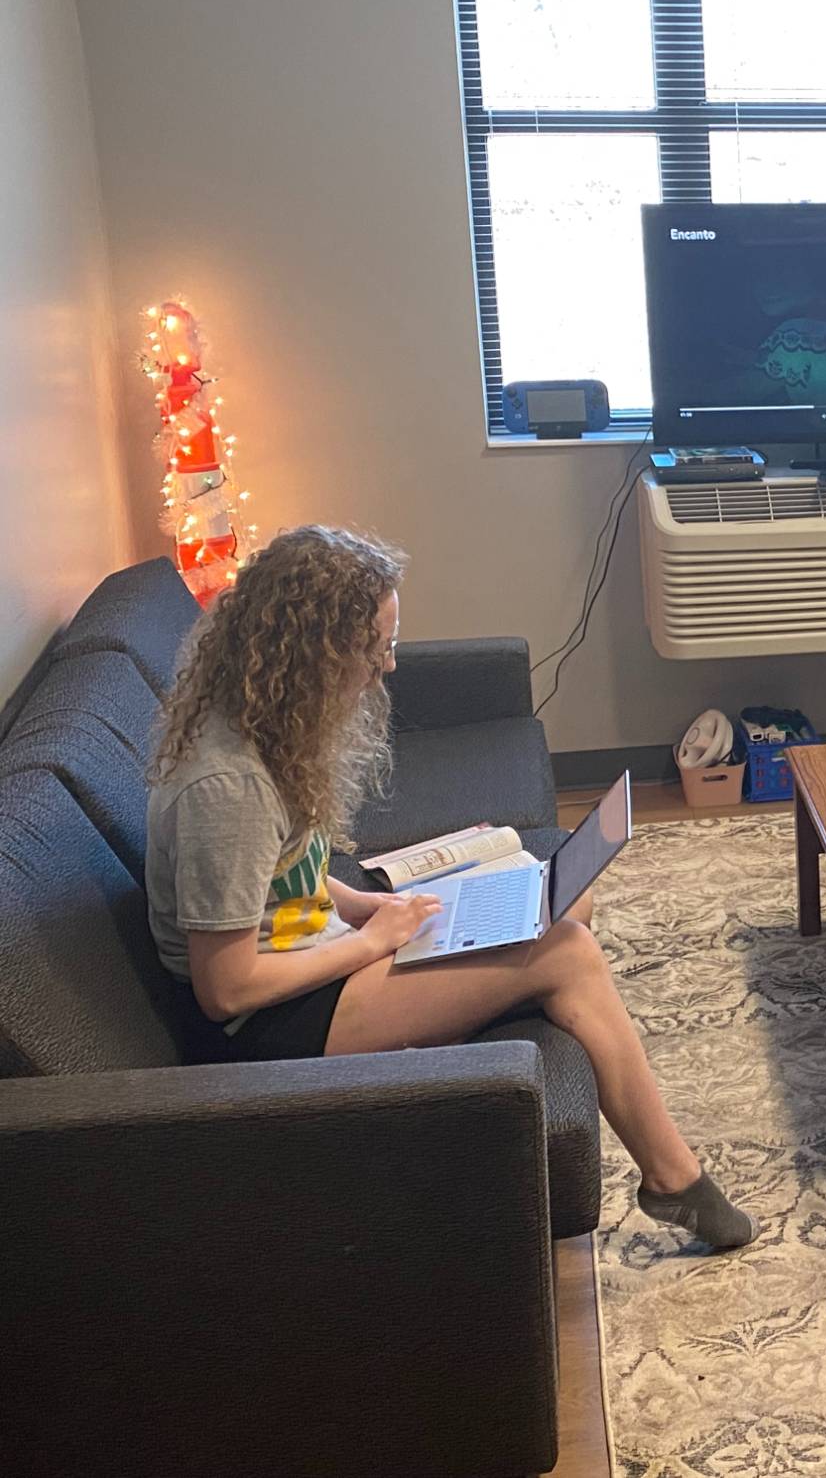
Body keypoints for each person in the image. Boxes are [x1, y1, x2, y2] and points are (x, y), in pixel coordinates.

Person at [145, 526, 756, 1249]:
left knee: (554, 899)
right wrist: (373, 941)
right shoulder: (228, 786)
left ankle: (484, 1021)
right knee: (565, 951)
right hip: (267, 1031)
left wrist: (373, 907)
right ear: (314, 651)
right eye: (375, 649)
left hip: (316, 966)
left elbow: (286, 877)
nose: (388, 666)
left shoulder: (265, 726)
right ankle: (673, 1180)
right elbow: (228, 987)